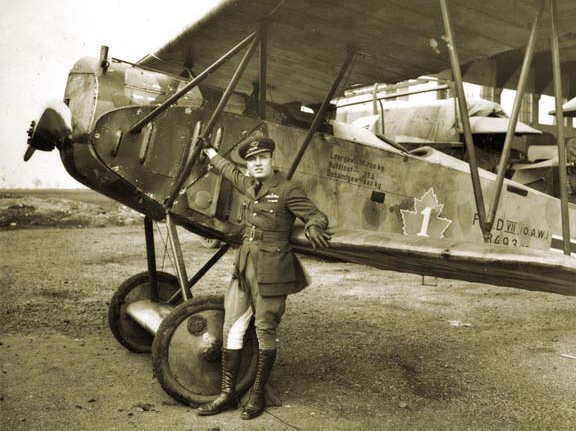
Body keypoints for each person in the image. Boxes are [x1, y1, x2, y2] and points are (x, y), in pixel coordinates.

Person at [197, 136, 331, 420]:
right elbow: (229, 171)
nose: (256, 163)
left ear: (272, 160)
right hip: (244, 268)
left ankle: (257, 396)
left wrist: (314, 226)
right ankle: (227, 394)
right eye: (251, 160)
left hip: (271, 271)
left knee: (264, 331)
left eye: (262, 158)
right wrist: (210, 152)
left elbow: (316, 214)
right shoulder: (250, 185)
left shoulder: (287, 189)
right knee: (231, 328)